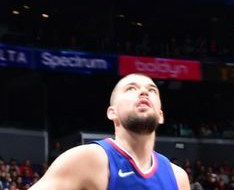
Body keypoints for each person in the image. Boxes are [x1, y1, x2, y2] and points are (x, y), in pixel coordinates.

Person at [32, 73, 190, 190]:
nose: (144, 92)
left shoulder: (178, 177)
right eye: (131, 88)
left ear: (161, 115)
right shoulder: (86, 159)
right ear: (112, 112)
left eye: (152, 90)